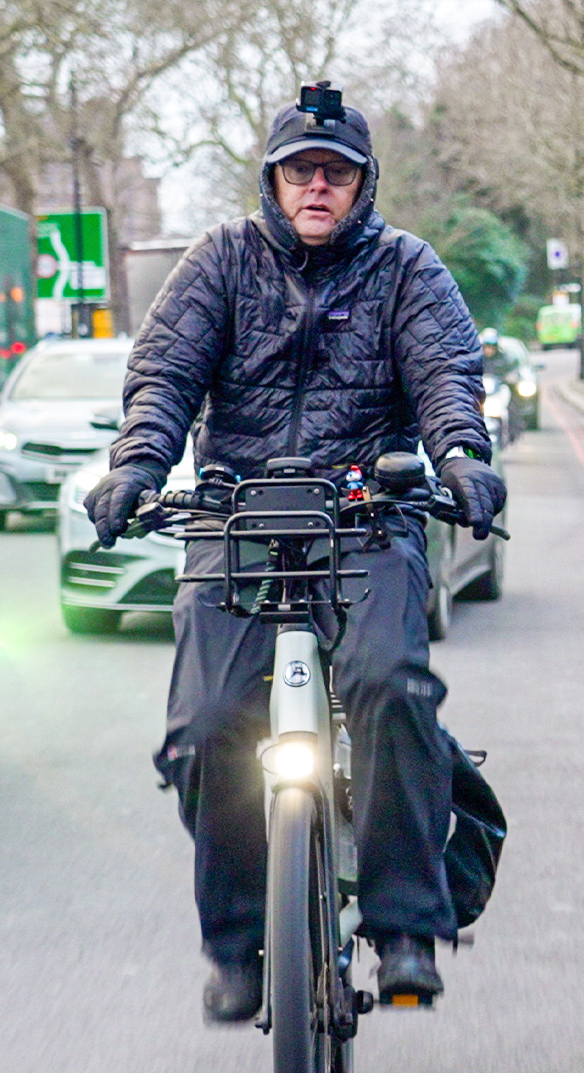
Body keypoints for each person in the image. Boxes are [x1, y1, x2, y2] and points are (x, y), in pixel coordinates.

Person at [84, 83, 506, 1022]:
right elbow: (164, 377)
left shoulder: (405, 268)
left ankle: (403, 928)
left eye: (337, 172)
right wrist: (136, 467)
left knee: (393, 687)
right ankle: (237, 946)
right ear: (272, 181)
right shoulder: (219, 263)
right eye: (300, 170)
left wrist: (463, 458)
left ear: (363, 184)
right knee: (205, 727)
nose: (318, 185)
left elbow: (445, 375)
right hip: (236, 522)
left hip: (367, 518)